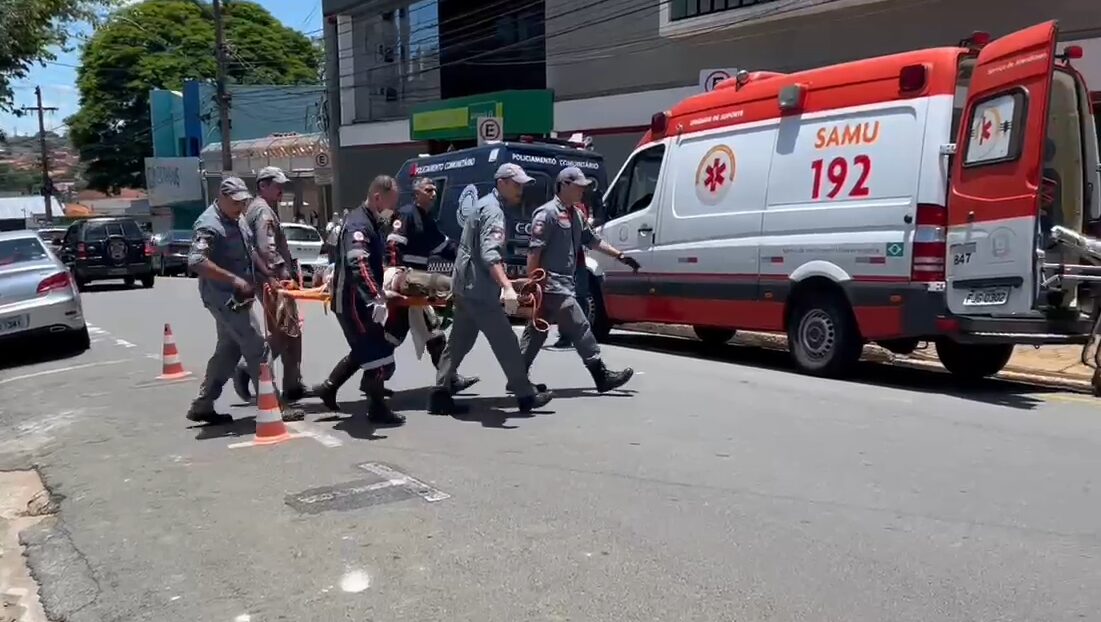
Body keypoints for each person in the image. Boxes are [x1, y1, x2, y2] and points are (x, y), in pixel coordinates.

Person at [427, 163, 554, 415]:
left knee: (459, 341)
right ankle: (525, 395)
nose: (520, 190)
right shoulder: (494, 211)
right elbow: (489, 255)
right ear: (502, 182)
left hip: (466, 285)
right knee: (506, 341)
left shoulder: (484, 205)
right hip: (479, 291)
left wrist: (509, 282)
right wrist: (507, 287)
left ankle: (440, 393)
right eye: (516, 184)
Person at [185, 177, 304, 424]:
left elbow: (250, 250)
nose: (241, 206)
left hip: (240, 295)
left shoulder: (237, 218)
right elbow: (196, 261)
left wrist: (268, 275)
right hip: (222, 296)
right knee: (257, 346)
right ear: (222, 197)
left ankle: (203, 404)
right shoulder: (209, 224)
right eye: (236, 202)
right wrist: (235, 281)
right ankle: (273, 405)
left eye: (243, 202)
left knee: (228, 349)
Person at [519, 167, 638, 393]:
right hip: (550, 285)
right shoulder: (547, 214)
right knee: (580, 325)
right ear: (564, 185)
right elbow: (534, 253)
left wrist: (620, 256)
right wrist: (532, 286)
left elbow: (593, 241)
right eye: (579, 186)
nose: (583, 190)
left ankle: (517, 374)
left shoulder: (576, 214)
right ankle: (600, 374)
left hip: (565, 283)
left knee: (537, 331)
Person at [314, 176, 405, 425]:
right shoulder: (359, 224)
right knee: (376, 353)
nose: (392, 211)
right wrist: (376, 295)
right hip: (354, 302)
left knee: (368, 350)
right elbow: (359, 262)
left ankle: (329, 388)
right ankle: (376, 408)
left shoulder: (370, 221)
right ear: (377, 198)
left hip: (361, 301)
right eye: (390, 204)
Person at [385, 176, 479, 392]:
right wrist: (393, 278)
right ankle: (449, 379)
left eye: (435, 190)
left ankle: (371, 378)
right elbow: (392, 246)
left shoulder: (427, 219)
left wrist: (467, 259)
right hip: (405, 281)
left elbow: (445, 247)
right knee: (424, 330)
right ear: (416, 194)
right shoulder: (406, 214)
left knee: (400, 333)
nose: (433, 194)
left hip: (417, 284)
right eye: (428, 190)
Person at [231, 167, 310, 403]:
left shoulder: (258, 208)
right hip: (272, 280)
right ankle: (247, 367)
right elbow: (267, 249)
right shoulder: (263, 212)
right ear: (262, 186)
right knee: (284, 333)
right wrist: (281, 275)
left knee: (291, 331)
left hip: (270, 278)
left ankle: (293, 383)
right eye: (277, 185)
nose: (281, 189)